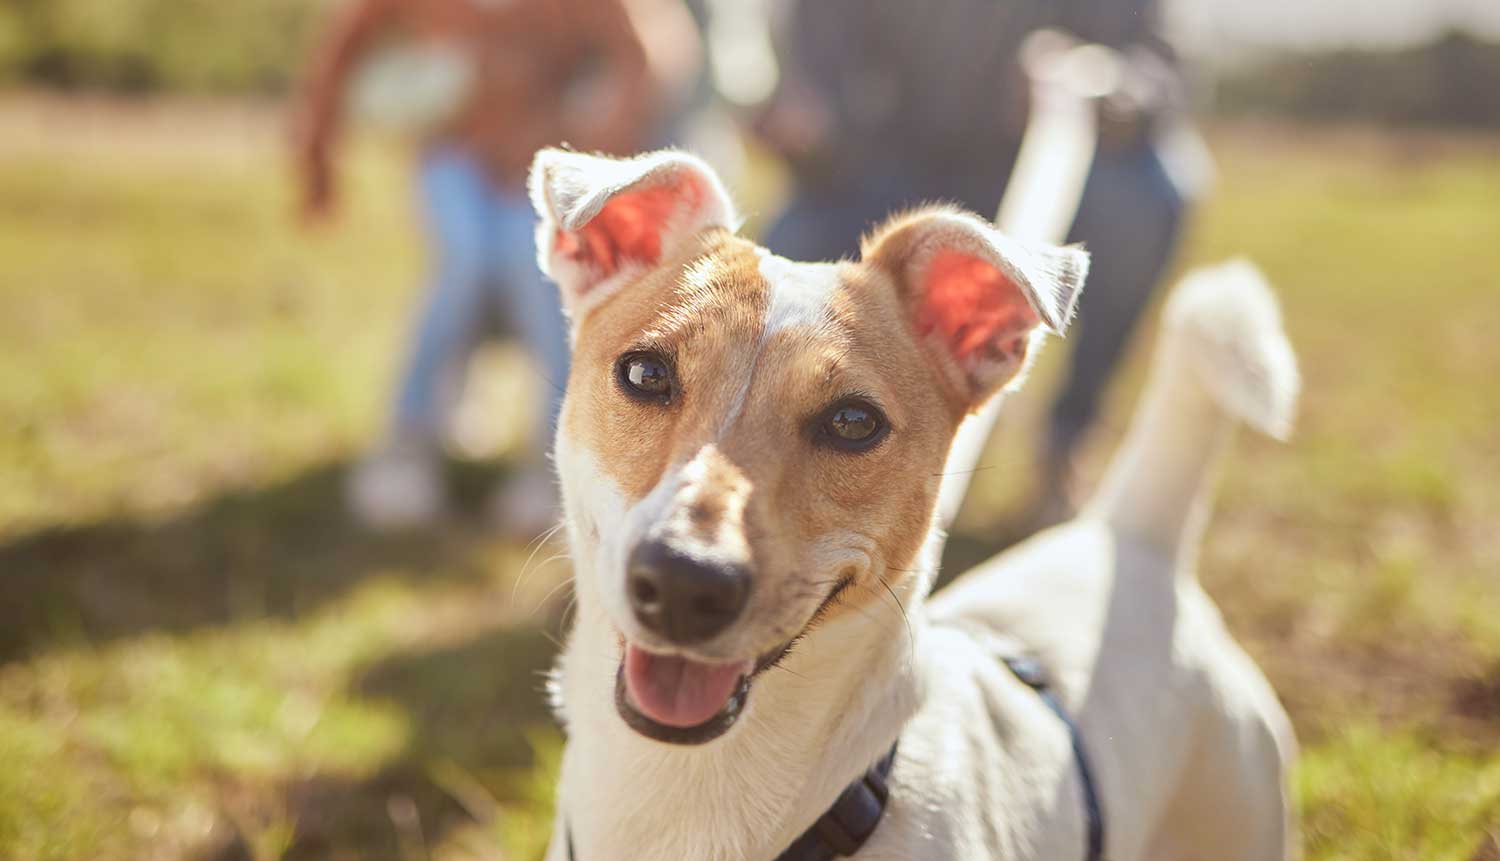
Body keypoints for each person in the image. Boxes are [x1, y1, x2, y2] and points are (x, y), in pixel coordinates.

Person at [753, 0, 1204, 527]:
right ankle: (781, 440)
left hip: (1054, 160)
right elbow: (816, 62)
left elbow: (1159, 71)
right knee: (798, 232)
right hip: (889, 164)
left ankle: (1066, 443)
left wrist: (1100, 80)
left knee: (1153, 193)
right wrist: (807, 117)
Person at [291, 0, 696, 534]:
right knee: (466, 263)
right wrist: (318, 147)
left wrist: (580, 146)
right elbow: (347, 41)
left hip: (548, 155)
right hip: (457, 153)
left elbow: (650, 59)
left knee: (537, 272)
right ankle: (409, 443)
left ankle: (556, 460)